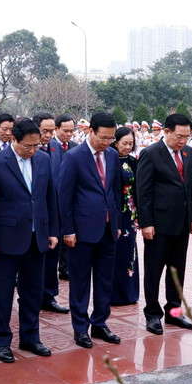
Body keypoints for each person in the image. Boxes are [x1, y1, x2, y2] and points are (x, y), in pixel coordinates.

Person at [0, 118, 58, 363]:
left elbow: (49, 197)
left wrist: (52, 231)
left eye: (36, 146)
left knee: (33, 291)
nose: (33, 150)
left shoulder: (43, 159)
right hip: (6, 240)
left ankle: (31, 337)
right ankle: (1, 342)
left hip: (37, 238)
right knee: (2, 294)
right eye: (28, 146)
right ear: (14, 139)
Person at [58, 112, 123, 349]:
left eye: (110, 138)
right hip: (82, 231)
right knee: (80, 281)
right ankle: (80, 327)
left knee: (106, 280)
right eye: (103, 138)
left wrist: (115, 223)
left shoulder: (113, 156)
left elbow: (115, 192)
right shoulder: (74, 157)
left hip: (107, 230)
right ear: (90, 132)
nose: (106, 143)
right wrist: (68, 230)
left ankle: (100, 323)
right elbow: (64, 197)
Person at [136, 114, 192, 335]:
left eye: (187, 136)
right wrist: (146, 223)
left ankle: (175, 310)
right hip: (158, 224)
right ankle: (153, 314)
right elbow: (142, 192)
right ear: (166, 132)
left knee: (177, 270)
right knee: (154, 270)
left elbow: (191, 186)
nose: (183, 141)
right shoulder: (151, 154)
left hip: (182, 222)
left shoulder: (189, 152)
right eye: (179, 136)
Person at [32, 111, 69, 314]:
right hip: (32, 213)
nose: (48, 135)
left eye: (51, 130)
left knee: (52, 254)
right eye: (44, 130)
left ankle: (49, 295)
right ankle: (32, 295)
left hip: (53, 211)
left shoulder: (56, 148)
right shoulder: (27, 149)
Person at [110, 126, 139, 306]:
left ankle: (130, 292)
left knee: (130, 252)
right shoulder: (110, 161)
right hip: (117, 212)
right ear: (115, 142)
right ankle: (115, 294)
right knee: (116, 253)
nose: (127, 147)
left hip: (131, 213)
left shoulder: (133, 161)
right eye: (124, 143)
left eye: (131, 143)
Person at [50, 114, 78, 282]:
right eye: (65, 131)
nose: (68, 134)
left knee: (69, 232)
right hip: (54, 198)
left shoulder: (74, 147)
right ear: (56, 129)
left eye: (71, 131)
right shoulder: (49, 147)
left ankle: (66, 268)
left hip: (70, 199)